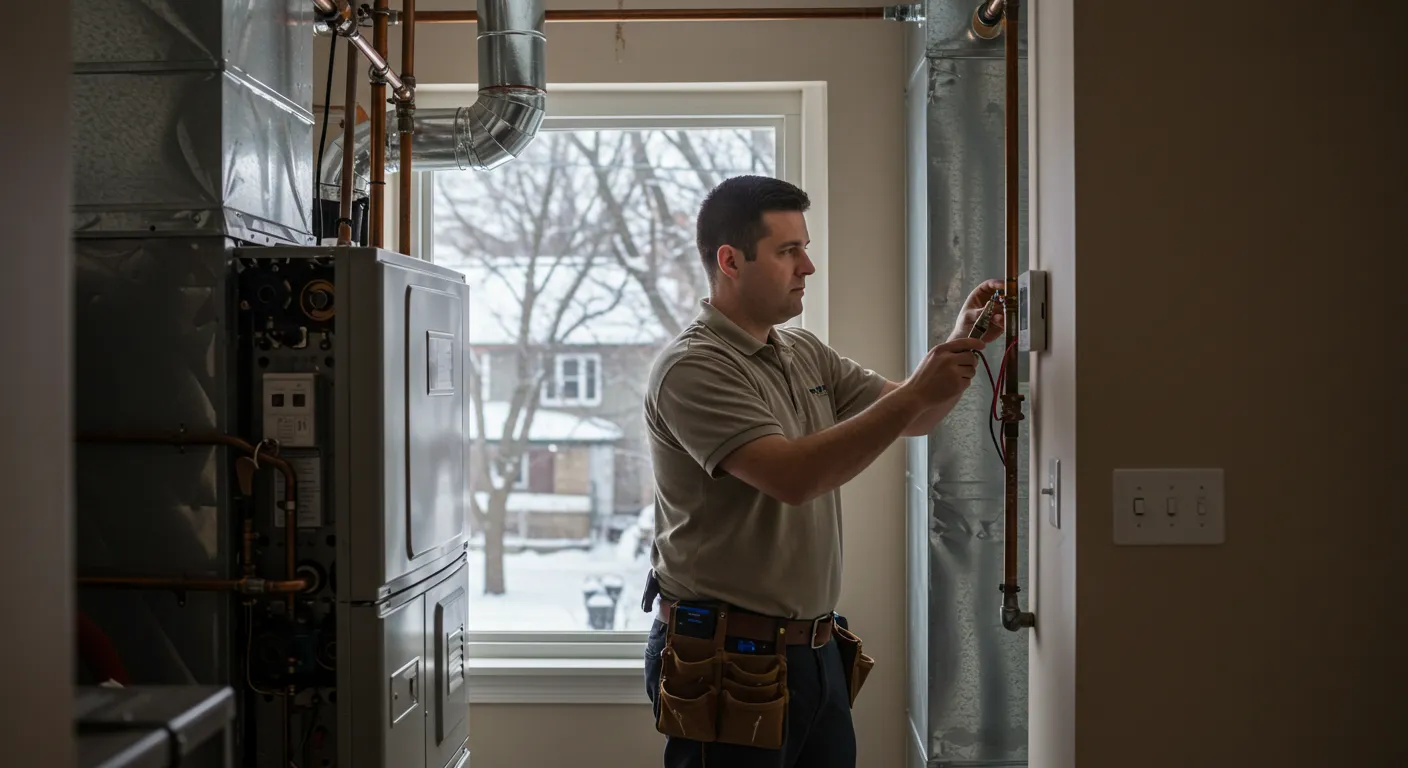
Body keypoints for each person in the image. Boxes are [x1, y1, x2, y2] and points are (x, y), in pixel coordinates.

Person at [640, 175, 1005, 768]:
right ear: (730, 260)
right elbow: (793, 478)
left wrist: (963, 341)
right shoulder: (694, 368)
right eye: (788, 251)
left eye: (804, 248)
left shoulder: (801, 351)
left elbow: (915, 417)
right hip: (728, 661)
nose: (807, 266)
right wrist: (914, 396)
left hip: (814, 651)